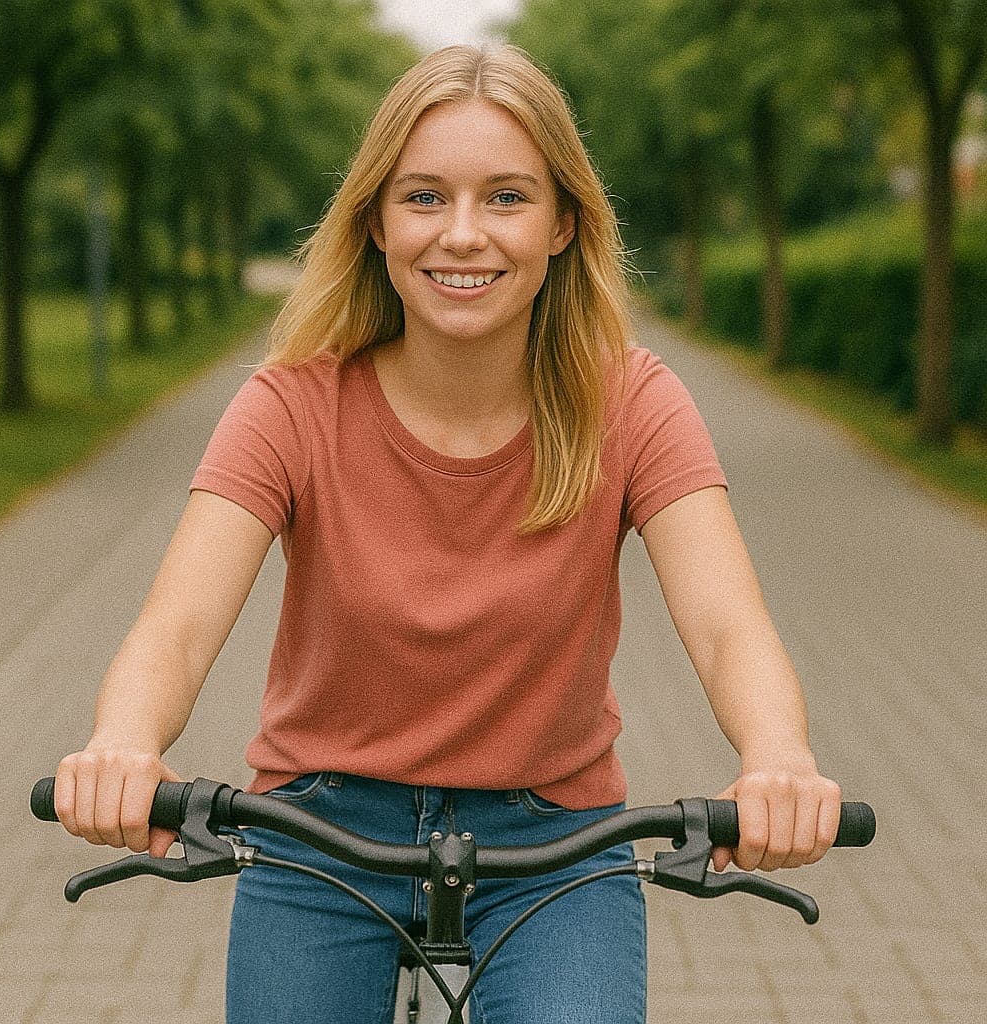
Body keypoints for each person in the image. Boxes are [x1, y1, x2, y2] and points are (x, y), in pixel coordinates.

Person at [53, 43, 841, 1024]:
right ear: (376, 221)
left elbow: (729, 625)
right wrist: (123, 743)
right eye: (424, 197)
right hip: (318, 829)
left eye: (505, 197)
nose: (461, 234)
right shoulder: (293, 405)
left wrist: (778, 759)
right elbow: (172, 628)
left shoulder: (631, 403)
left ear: (562, 224)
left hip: (552, 840)